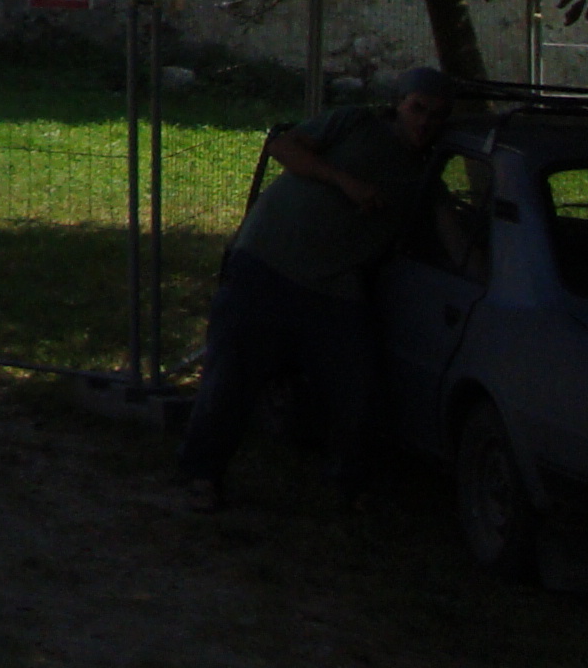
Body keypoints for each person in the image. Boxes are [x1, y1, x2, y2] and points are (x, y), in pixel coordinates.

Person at [176, 66, 458, 512]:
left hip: (335, 286)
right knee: (231, 376)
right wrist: (346, 182)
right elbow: (283, 147)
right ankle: (201, 476)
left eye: (436, 116)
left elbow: (455, 240)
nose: (424, 122)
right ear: (398, 105)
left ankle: (352, 486)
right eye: (417, 109)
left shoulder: (426, 179)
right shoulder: (356, 123)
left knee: (357, 386)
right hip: (267, 260)